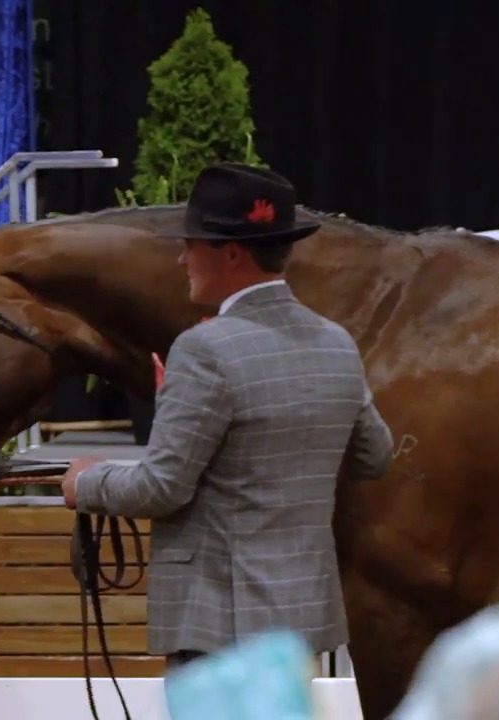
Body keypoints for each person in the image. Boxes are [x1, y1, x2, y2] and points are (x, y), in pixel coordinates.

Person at [61, 162, 395, 674]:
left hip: (222, 626)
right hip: (300, 622)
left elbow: (160, 488)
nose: (181, 258)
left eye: (191, 245)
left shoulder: (204, 350)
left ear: (230, 252)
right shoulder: (336, 342)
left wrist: (86, 482)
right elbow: (375, 456)